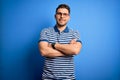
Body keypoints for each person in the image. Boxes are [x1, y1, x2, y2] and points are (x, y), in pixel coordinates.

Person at [38, 4, 82, 80]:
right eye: (59, 14)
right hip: (48, 78)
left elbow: (75, 50)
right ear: (55, 16)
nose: (62, 16)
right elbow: (44, 52)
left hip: (68, 78)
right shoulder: (45, 31)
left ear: (69, 17)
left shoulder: (74, 33)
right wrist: (68, 50)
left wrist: (54, 45)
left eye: (65, 14)